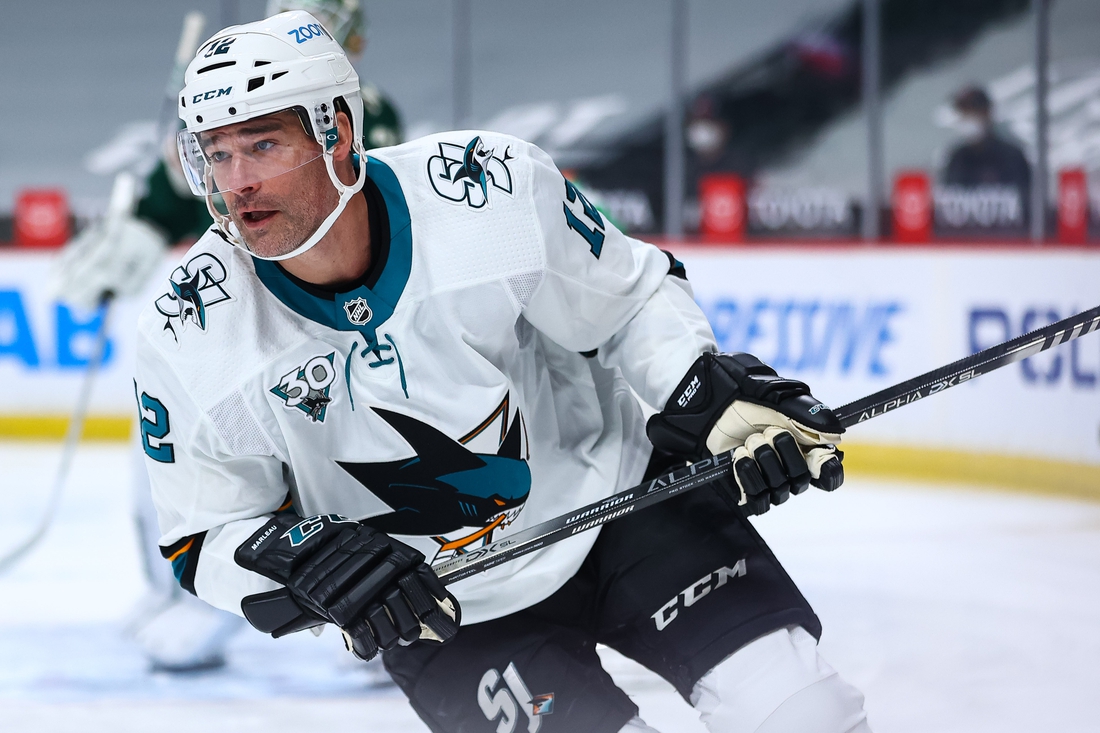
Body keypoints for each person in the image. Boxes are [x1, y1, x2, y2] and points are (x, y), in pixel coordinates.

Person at [136, 11, 872, 731]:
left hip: (624, 503)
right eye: (216, 154)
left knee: (806, 713)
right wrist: (296, 558)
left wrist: (701, 391)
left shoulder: (485, 188)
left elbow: (626, 300)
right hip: (445, 611)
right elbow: (202, 534)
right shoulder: (188, 327)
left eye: (262, 145)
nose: (237, 183)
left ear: (338, 131)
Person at [55, 0, 402, 675]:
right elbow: (176, 193)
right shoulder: (220, 106)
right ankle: (184, 596)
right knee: (173, 448)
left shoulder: (363, 113)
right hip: (231, 315)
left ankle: (371, 595)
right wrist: (136, 230)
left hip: (330, 328)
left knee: (338, 460)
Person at [943, 86, 1031, 212]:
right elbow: (948, 203)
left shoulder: (1012, 156)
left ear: (987, 112)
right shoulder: (957, 158)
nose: (967, 117)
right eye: (963, 112)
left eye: (972, 111)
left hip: (1009, 230)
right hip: (965, 231)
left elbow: (1026, 205)